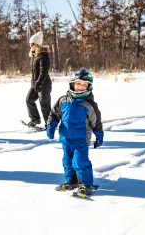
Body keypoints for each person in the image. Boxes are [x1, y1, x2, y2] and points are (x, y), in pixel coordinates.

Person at [46, 67, 104, 196]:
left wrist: (99, 135)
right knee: (67, 161)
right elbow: (54, 114)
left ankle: (86, 184)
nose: (80, 87)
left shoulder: (89, 105)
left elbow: (96, 122)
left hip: (81, 140)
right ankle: (71, 181)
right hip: (66, 138)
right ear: (72, 84)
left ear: (88, 87)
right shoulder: (63, 100)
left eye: (84, 85)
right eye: (78, 84)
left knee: (80, 161)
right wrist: (51, 126)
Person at [25, 31, 52, 128]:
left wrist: (39, 83)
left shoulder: (43, 56)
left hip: (43, 84)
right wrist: (35, 83)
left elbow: (43, 71)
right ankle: (35, 119)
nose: (30, 46)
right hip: (35, 84)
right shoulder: (34, 56)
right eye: (29, 44)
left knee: (44, 104)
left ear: (37, 44)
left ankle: (49, 123)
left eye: (32, 44)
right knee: (29, 100)